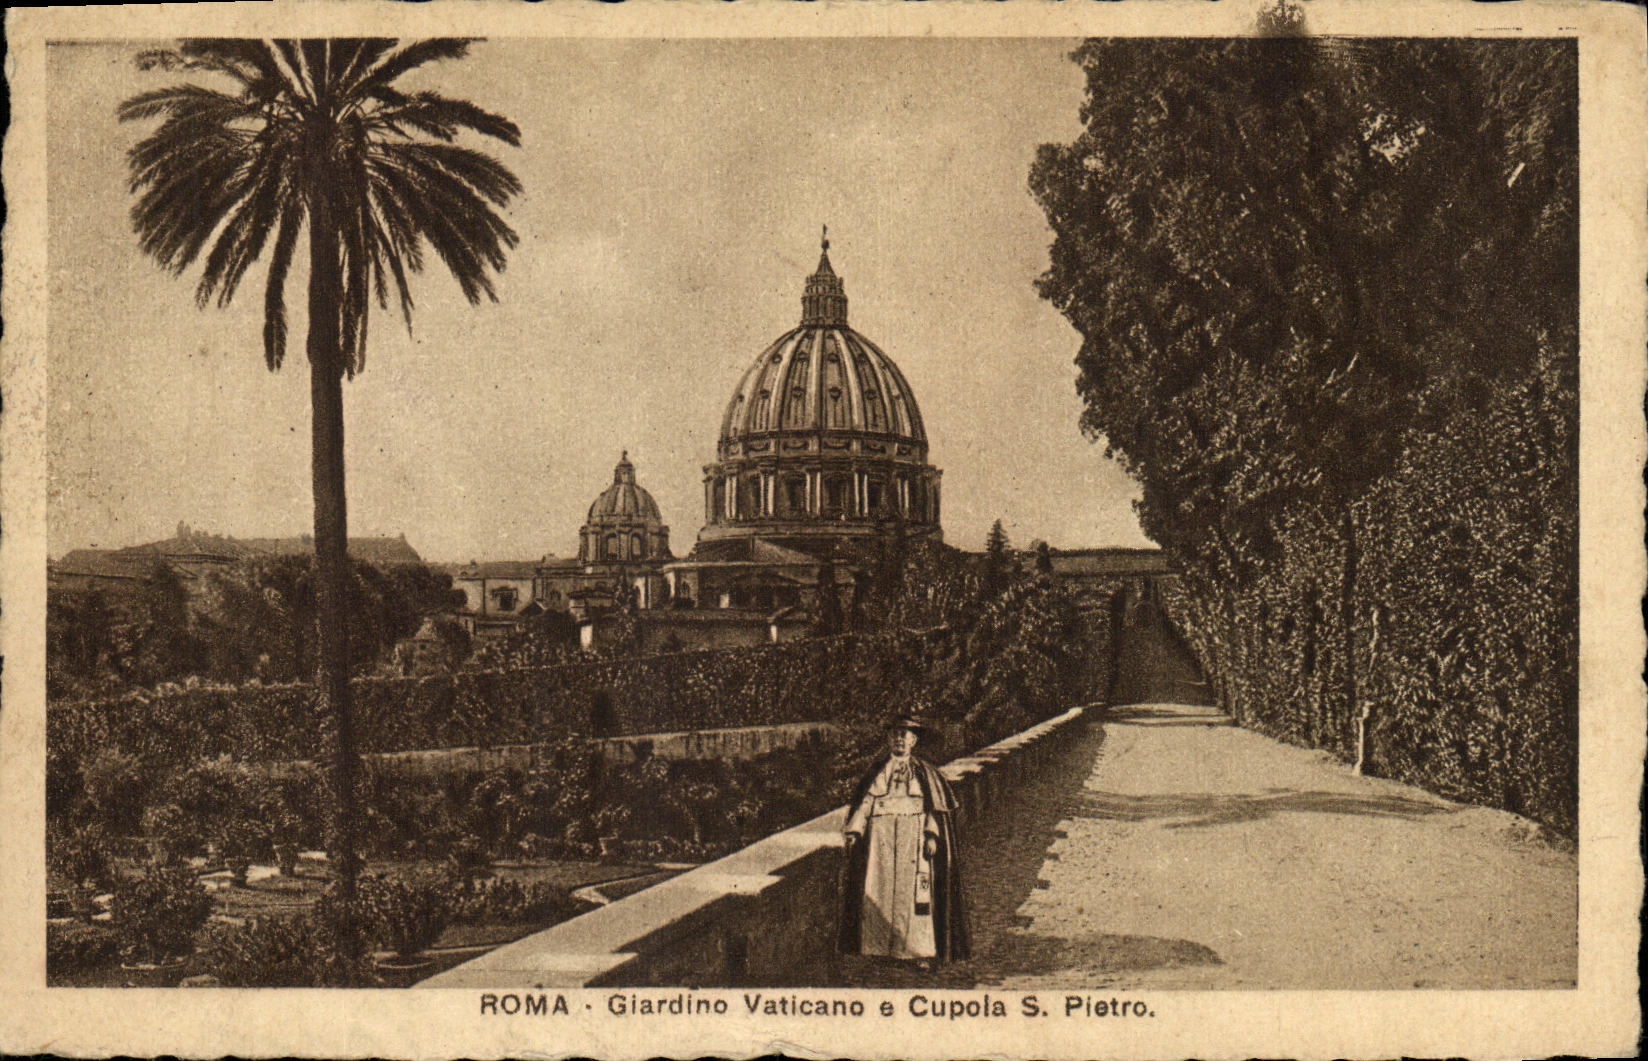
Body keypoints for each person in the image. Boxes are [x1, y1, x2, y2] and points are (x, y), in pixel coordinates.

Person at [838, 717, 969, 965]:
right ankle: (878, 948)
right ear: (889, 740)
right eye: (895, 735)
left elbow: (933, 808)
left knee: (916, 895)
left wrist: (931, 835)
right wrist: (855, 830)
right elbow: (866, 803)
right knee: (879, 888)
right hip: (881, 836)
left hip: (913, 834)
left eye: (904, 735)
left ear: (913, 740)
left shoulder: (925, 773)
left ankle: (918, 951)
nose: (899, 739)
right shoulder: (877, 771)